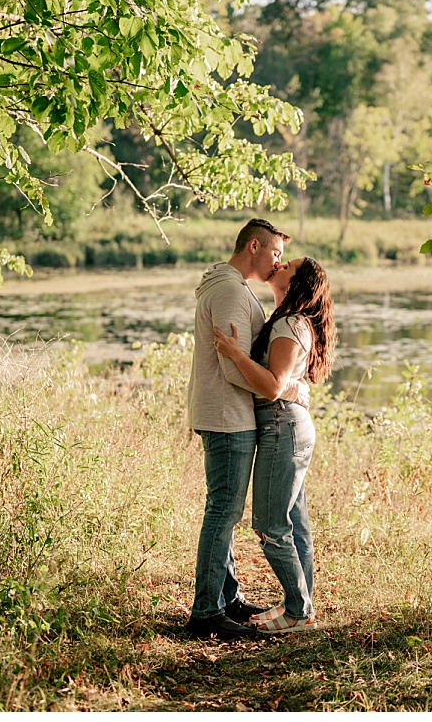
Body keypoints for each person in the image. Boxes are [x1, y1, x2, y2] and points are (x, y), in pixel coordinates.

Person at [183, 216, 305, 641]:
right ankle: (206, 611)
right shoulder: (232, 292)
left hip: (229, 414)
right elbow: (232, 367)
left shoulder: (232, 287)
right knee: (223, 512)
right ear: (253, 247)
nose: (278, 261)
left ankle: (226, 597)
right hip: (228, 416)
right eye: (274, 252)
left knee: (226, 513)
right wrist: (278, 388)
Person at [212, 256, 337, 634]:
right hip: (287, 426)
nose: (278, 265)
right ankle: (302, 606)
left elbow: (271, 386)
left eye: (287, 266)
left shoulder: (288, 323)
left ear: (296, 282)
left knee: (270, 524)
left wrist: (234, 354)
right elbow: (284, 382)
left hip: (283, 427)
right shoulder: (289, 320)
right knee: (294, 523)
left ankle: (299, 612)